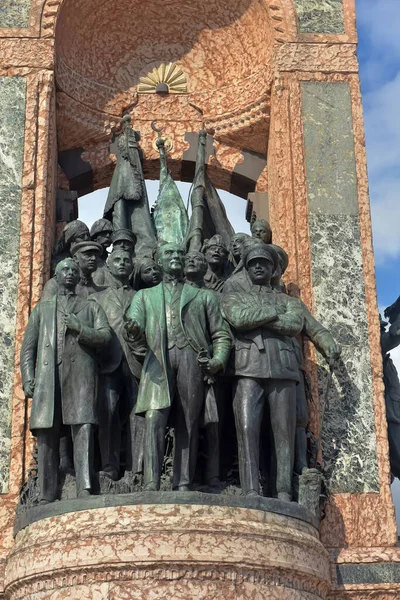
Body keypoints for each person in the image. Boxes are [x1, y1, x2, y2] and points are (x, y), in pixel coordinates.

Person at [125, 242, 232, 492]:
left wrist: (217, 361)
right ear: (159, 262)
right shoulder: (144, 296)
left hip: (191, 360)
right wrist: (133, 331)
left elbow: (221, 334)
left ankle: (183, 482)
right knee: (153, 419)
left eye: (179, 254)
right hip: (157, 360)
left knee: (189, 420)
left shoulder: (203, 296)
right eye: (169, 253)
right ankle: (151, 482)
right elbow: (135, 331)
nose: (175, 257)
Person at [20, 258, 112, 502]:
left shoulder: (90, 307)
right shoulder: (42, 309)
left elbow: (105, 336)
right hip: (49, 380)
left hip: (81, 376)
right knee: (47, 433)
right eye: (65, 270)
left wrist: (81, 328)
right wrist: (28, 377)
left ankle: (84, 486)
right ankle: (46, 493)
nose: (70, 274)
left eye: (74, 270)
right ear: (57, 276)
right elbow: (28, 348)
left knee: (82, 429)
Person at [221, 244, 303, 500]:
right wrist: (271, 313)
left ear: (273, 269)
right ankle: (251, 489)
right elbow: (238, 318)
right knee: (247, 431)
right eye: (253, 263)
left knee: (284, 435)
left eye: (264, 263)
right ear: (246, 269)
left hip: (283, 370)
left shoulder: (289, 301)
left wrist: (259, 318)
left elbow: (295, 324)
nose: (258, 266)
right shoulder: (235, 295)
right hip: (248, 369)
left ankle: (284, 491)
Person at [92, 250, 146, 479]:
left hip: (136, 361)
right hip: (108, 361)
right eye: (118, 260)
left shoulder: (142, 296)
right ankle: (110, 465)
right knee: (109, 410)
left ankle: (138, 468)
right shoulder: (97, 297)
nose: (123, 264)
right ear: (109, 267)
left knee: (138, 411)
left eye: (127, 261)